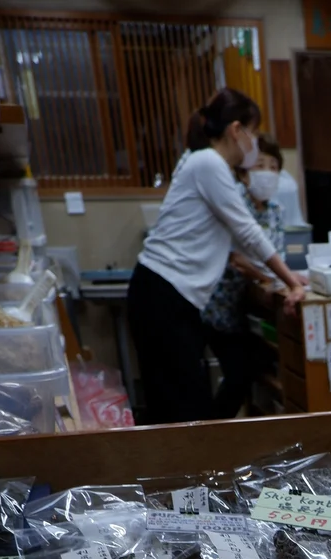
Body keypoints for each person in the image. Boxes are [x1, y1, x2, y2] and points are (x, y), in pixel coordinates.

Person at [127, 89, 304, 425]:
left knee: (180, 404)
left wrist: (283, 276)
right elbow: (247, 231)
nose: (254, 142)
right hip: (162, 294)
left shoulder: (205, 164)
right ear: (236, 130)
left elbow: (242, 243)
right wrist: (292, 281)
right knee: (182, 408)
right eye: (252, 131)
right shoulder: (208, 163)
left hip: (170, 297)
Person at [202, 134, 287, 419]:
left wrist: (276, 276)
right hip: (220, 305)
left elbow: (278, 255)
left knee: (255, 369)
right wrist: (269, 275)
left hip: (252, 305)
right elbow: (235, 257)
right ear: (244, 172)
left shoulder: (276, 210)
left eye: (274, 167)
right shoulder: (236, 199)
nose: (268, 173)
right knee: (238, 375)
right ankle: (213, 430)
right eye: (260, 165)